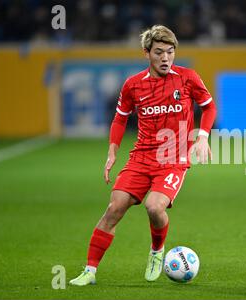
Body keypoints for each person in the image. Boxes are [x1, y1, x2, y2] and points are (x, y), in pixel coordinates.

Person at [69, 25, 217, 286]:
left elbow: (209, 107)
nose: (165, 58)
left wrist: (203, 136)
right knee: (114, 208)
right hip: (141, 157)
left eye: (170, 52)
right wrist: (112, 152)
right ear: (146, 53)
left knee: (154, 206)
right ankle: (90, 271)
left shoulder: (187, 77)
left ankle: (157, 251)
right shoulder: (133, 85)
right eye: (159, 52)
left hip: (173, 159)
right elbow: (119, 118)